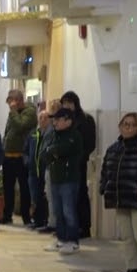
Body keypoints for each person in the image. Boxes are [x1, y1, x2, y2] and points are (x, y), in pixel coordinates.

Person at [99, 113, 137, 272]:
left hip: (136, 198)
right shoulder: (114, 148)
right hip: (120, 197)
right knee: (127, 237)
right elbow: (105, 169)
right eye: (125, 124)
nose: (128, 128)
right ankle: (132, 269)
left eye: (132, 125)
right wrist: (104, 187)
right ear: (120, 126)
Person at [42, 108, 85, 254]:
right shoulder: (54, 135)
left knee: (69, 211)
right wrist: (53, 152)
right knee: (58, 211)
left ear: (68, 121)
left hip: (68, 179)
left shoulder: (74, 136)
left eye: (58, 119)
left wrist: (54, 151)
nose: (55, 122)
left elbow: (63, 150)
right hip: (55, 178)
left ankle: (72, 241)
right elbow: (46, 152)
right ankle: (61, 239)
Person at [60, 91, 97, 238]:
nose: (67, 106)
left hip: (79, 163)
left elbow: (89, 143)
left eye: (69, 103)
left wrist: (79, 156)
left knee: (80, 194)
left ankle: (84, 226)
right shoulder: (64, 120)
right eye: (64, 103)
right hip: (64, 164)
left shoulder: (85, 120)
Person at [1, 90, 37, 225]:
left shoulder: (30, 112)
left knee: (24, 188)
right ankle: (7, 215)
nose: (10, 104)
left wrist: (14, 112)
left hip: (21, 157)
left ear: (19, 100)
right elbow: (9, 131)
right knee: (7, 187)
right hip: (8, 156)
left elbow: (21, 126)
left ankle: (26, 216)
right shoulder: (13, 113)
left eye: (12, 101)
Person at [25, 109, 52, 231]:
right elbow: (25, 150)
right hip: (32, 171)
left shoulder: (51, 134)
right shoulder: (33, 134)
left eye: (45, 118)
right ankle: (36, 220)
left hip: (44, 170)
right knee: (34, 197)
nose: (42, 120)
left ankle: (45, 221)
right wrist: (27, 161)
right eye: (40, 118)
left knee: (44, 197)